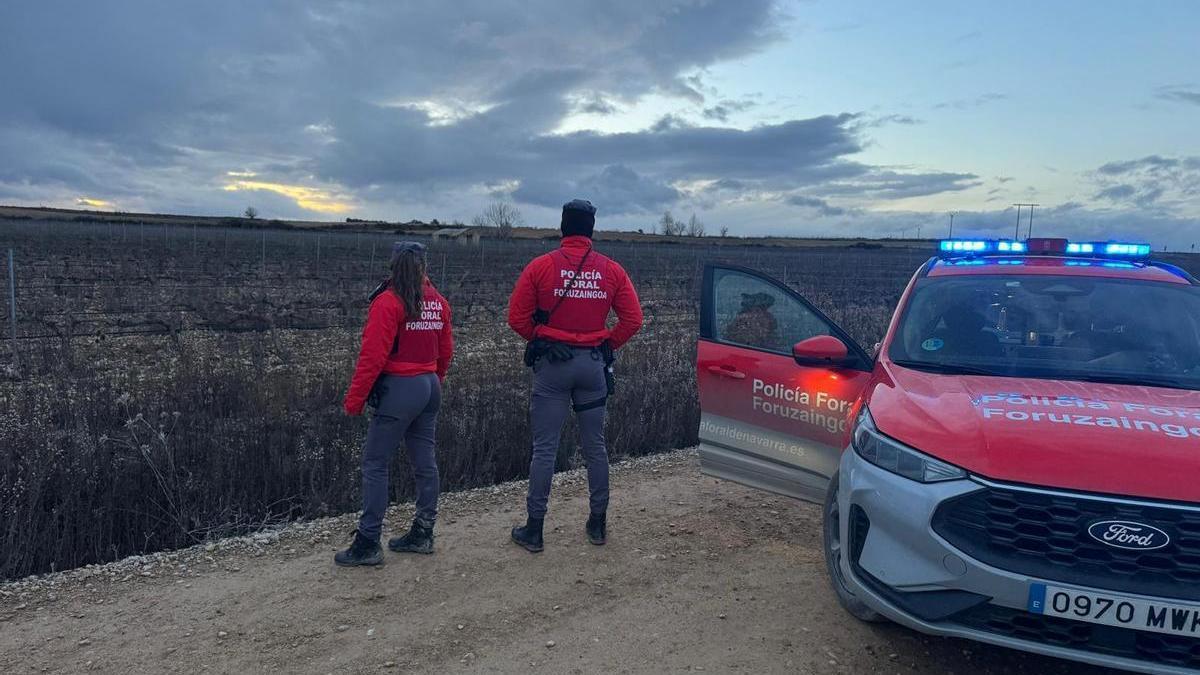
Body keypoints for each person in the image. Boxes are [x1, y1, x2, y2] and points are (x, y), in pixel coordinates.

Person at [506, 199, 644, 552]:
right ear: (591, 230)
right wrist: (606, 345)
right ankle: (597, 524)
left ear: (563, 228)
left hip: (554, 366)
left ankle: (534, 530)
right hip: (593, 366)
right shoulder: (612, 270)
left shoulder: (540, 267)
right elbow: (634, 320)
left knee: (545, 450)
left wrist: (540, 338)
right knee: (595, 447)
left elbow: (517, 319)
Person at [336, 241, 454, 567]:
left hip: (400, 389)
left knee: (375, 463)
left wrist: (354, 400)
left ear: (393, 265)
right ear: (424, 267)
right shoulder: (438, 303)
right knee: (425, 462)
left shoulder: (388, 303)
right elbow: (446, 352)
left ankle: (368, 541)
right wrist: (433, 381)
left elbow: (372, 357)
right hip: (429, 386)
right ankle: (423, 531)